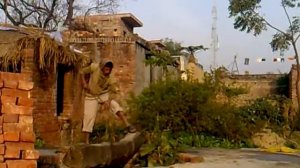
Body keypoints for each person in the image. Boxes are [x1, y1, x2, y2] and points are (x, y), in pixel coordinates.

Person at [80, 59, 136, 144]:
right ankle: (86, 141)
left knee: (115, 106)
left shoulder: (111, 78)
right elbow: (82, 72)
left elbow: (113, 91)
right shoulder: (95, 67)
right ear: (102, 67)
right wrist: (84, 83)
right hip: (91, 95)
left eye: (109, 68)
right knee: (89, 116)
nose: (107, 69)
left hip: (103, 94)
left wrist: (108, 101)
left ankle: (128, 125)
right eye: (106, 67)